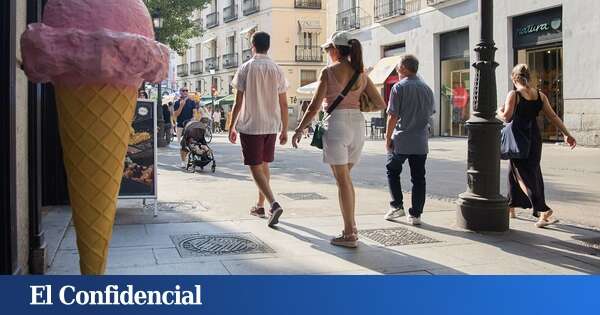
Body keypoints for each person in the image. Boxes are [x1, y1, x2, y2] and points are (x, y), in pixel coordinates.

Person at [292, 31, 386, 248]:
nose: (327, 53)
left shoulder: (328, 72)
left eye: (327, 49)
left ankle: (349, 233)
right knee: (345, 179)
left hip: (337, 124)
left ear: (335, 49)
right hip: (357, 125)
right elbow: (380, 103)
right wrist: (358, 101)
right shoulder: (361, 74)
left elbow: (314, 106)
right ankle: (351, 227)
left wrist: (299, 129)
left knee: (343, 180)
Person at [497, 64, 576, 228]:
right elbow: (553, 116)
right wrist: (567, 134)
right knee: (519, 172)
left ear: (514, 78)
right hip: (534, 138)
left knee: (523, 176)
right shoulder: (540, 95)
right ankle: (510, 207)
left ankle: (543, 210)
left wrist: (499, 110)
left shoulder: (514, 94)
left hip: (519, 139)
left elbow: (506, 117)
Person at [229, 31, 289, 228]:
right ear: (268, 46)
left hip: (251, 124)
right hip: (271, 124)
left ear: (252, 45)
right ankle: (260, 205)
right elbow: (283, 103)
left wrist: (231, 125)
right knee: (264, 164)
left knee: (254, 166)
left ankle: (273, 203)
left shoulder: (245, 68)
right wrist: (284, 129)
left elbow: (238, 102)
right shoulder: (277, 69)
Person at [383, 55, 435, 226]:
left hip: (401, 139)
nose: (397, 71)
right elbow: (430, 113)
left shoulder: (399, 88)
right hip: (420, 141)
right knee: (419, 177)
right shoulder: (427, 89)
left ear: (404, 68)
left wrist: (388, 137)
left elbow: (392, 116)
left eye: (398, 68)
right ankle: (416, 214)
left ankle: (397, 205)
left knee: (392, 170)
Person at [174, 87, 198, 167]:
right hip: (180, 126)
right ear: (180, 92)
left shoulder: (192, 102)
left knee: (190, 143)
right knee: (182, 145)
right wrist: (181, 106)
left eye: (186, 90)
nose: (185, 92)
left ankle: (187, 159)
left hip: (189, 126)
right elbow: (176, 115)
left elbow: (194, 113)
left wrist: (194, 118)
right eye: (183, 90)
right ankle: (183, 161)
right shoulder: (177, 102)